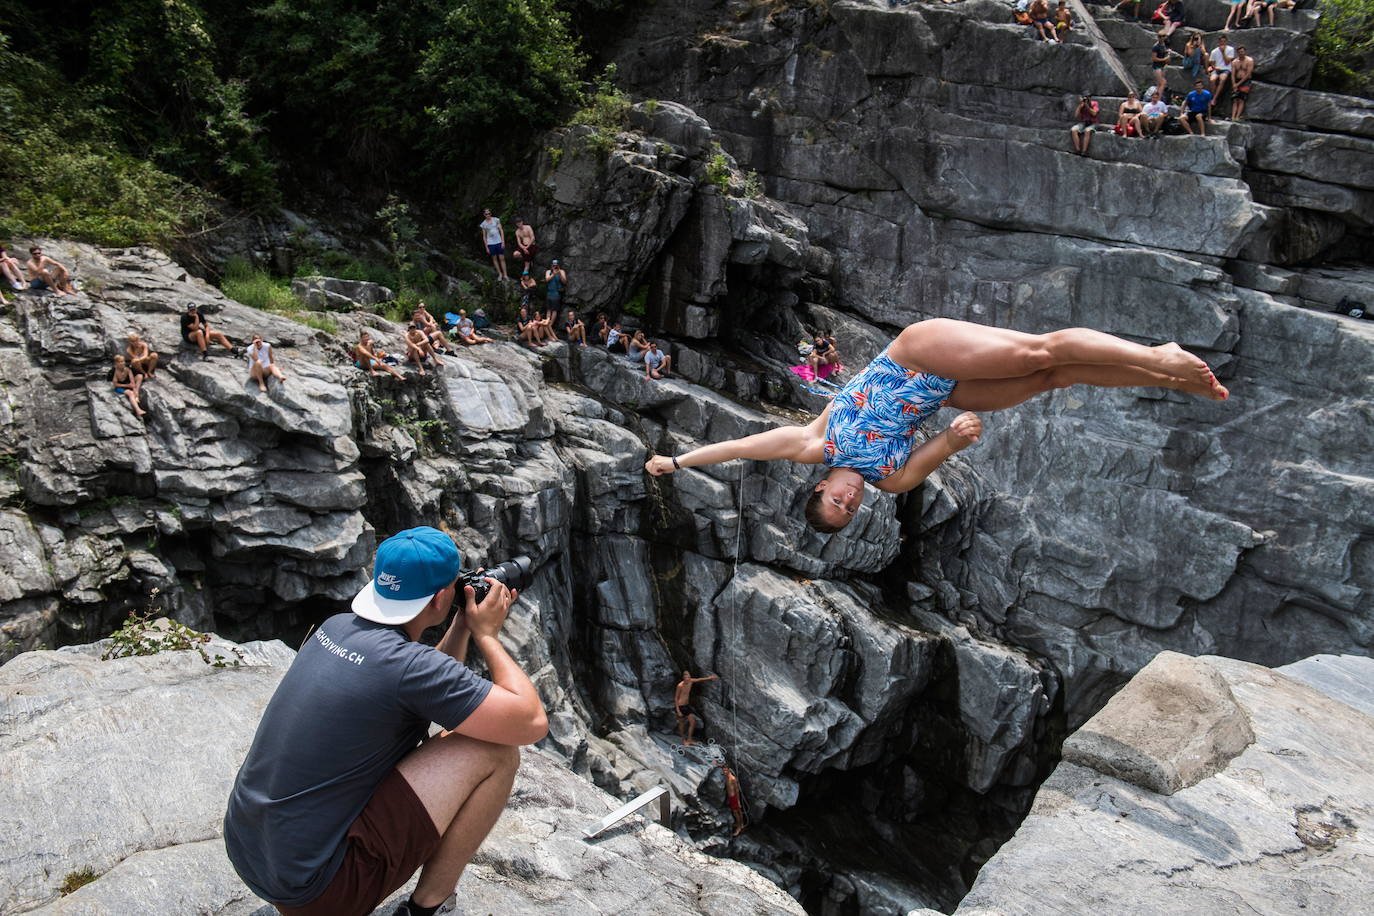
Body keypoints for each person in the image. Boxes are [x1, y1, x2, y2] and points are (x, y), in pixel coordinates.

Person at [224, 526, 547, 916]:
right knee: (495, 752)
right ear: (443, 596)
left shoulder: (336, 628)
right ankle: (428, 908)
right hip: (320, 893)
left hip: (252, 852)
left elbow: (427, 692)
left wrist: (461, 623)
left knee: (457, 730)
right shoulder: (408, 667)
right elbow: (530, 722)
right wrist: (487, 635)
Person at [644, 318, 1228, 533]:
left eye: (835, 501)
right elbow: (942, 446)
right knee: (1054, 378)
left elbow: (740, 445)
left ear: (820, 486)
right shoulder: (891, 480)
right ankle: (1165, 378)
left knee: (1036, 354)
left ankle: (1158, 357)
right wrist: (957, 437)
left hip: (914, 355)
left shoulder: (812, 443)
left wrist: (677, 462)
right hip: (945, 390)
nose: (848, 500)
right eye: (850, 510)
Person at [675, 671, 718, 746]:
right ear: (683, 678)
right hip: (681, 706)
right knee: (682, 723)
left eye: (689, 677)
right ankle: (683, 740)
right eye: (686, 678)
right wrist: (678, 710)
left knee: (693, 722)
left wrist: (709, 678)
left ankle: (689, 739)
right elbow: (676, 698)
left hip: (687, 705)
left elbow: (699, 679)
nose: (688, 679)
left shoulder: (691, 681)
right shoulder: (680, 685)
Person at [110, 354, 146, 419]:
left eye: (123, 361)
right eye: (120, 362)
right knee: (130, 393)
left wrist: (134, 389)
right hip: (119, 387)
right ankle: (138, 410)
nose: (122, 363)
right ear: (116, 363)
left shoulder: (127, 369)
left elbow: (132, 380)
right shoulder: (114, 371)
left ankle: (136, 397)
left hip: (128, 383)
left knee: (139, 376)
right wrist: (127, 386)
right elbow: (115, 384)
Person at [478, 209, 508, 281]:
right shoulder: (483, 224)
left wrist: (503, 241)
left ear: (491, 213)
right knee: (494, 259)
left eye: (489, 213)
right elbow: (484, 236)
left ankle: (505, 275)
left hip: (499, 241)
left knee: (502, 259)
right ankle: (500, 274)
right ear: (484, 215)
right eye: (486, 214)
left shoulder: (496, 220)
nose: (488, 215)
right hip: (490, 243)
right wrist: (486, 247)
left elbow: (501, 230)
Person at [717, 762, 745, 837]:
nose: (725, 772)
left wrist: (738, 800)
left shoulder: (732, 779)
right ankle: (741, 824)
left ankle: (739, 827)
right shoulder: (726, 776)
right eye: (724, 771)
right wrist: (717, 764)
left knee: (736, 812)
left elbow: (737, 790)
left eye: (726, 770)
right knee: (738, 811)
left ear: (729, 770)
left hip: (734, 797)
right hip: (731, 797)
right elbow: (722, 766)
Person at [1209, 35, 1236, 111]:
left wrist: (1223, 52)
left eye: (1224, 41)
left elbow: (1227, 62)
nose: (1222, 43)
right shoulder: (1214, 51)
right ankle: (1213, 97)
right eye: (1221, 41)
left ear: (1226, 41)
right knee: (1212, 80)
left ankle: (1214, 98)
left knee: (1222, 79)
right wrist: (1214, 67)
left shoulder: (1230, 49)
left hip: (1226, 69)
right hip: (1217, 69)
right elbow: (1212, 62)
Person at [1230, 46, 1254, 121]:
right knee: (1235, 99)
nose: (1241, 53)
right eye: (1240, 52)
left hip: (1245, 81)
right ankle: (1233, 117)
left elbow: (1248, 73)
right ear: (1237, 52)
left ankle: (1237, 116)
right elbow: (1233, 74)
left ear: (1245, 52)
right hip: (1237, 80)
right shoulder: (1235, 62)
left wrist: (1238, 84)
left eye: (1242, 51)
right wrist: (1234, 83)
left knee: (1241, 99)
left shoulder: (1249, 60)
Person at [1150, 33, 1171, 101]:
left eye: (1163, 37)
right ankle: (1157, 99)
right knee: (1163, 82)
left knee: (1159, 84)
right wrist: (1164, 59)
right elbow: (1154, 58)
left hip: (1162, 66)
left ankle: (1155, 98)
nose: (1162, 38)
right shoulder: (1155, 46)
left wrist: (1167, 51)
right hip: (1156, 67)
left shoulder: (1163, 45)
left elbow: (1162, 52)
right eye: (1161, 37)